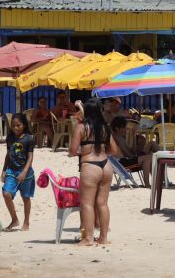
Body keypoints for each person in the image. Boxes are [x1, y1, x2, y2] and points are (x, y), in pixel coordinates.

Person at [69, 99, 118, 246]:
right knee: (102, 204)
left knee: (87, 204)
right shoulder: (105, 127)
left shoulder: (81, 127)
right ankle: (103, 238)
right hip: (106, 166)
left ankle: (88, 238)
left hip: (90, 166)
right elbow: (114, 151)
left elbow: (72, 150)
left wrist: (81, 151)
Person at [0, 113, 35, 232]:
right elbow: (8, 155)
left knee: (26, 197)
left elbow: (30, 157)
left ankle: (26, 222)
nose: (15, 128)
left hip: (26, 172)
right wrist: (4, 170)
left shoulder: (29, 138)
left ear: (24, 125)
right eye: (13, 126)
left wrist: (24, 172)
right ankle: (14, 219)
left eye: (18, 125)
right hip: (11, 171)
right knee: (6, 194)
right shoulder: (10, 138)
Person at [110, 116, 153, 187]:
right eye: (124, 128)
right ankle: (147, 184)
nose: (126, 130)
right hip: (122, 163)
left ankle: (158, 181)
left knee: (150, 156)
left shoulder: (121, 137)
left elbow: (131, 152)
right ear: (117, 129)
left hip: (125, 161)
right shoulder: (117, 137)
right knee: (148, 158)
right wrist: (138, 156)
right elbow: (128, 154)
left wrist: (133, 136)